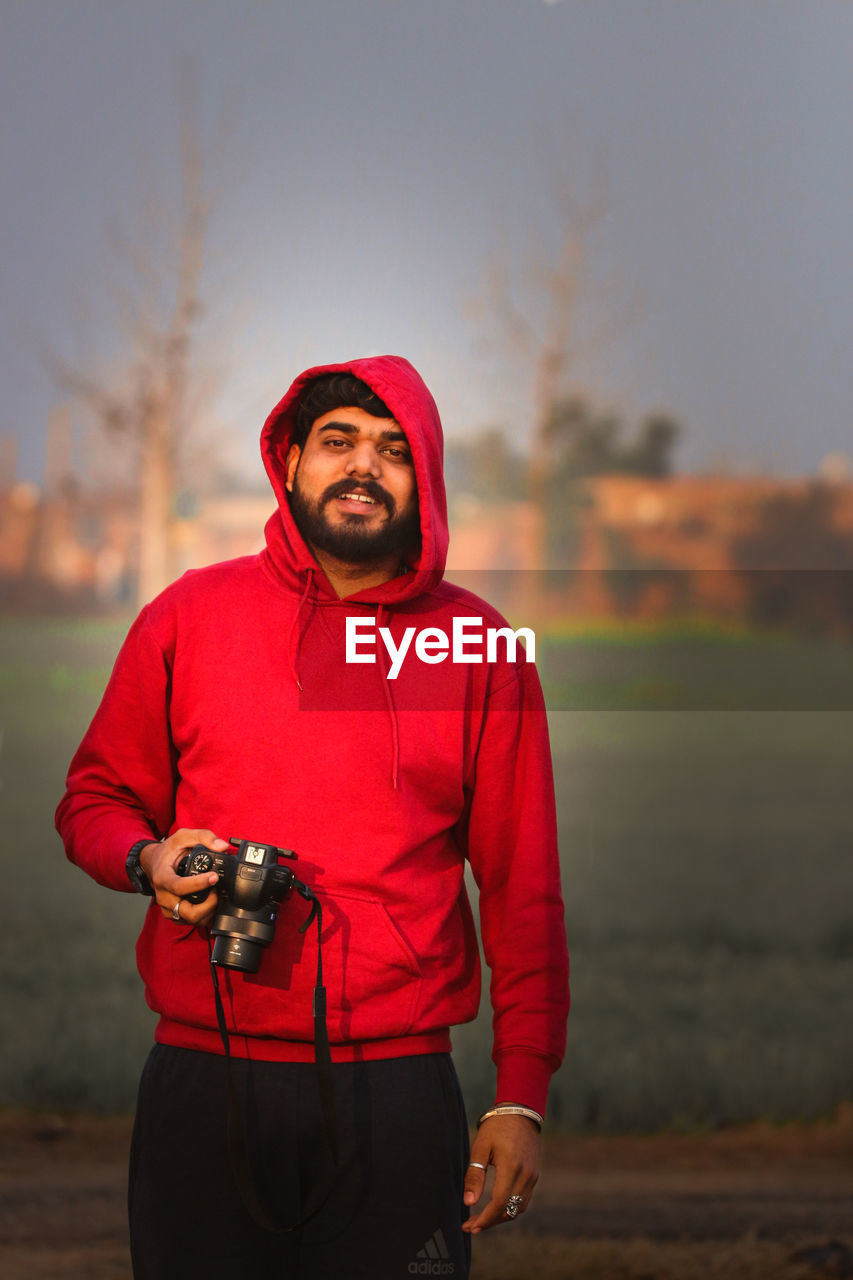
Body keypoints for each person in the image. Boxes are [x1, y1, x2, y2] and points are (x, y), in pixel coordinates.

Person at [56, 355, 570, 1280]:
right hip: (202, 1079)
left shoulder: (481, 646)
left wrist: (519, 1097)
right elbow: (93, 800)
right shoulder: (186, 617)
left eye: (393, 450)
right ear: (289, 462)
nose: (362, 466)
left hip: (399, 1088)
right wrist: (149, 860)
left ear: (427, 480)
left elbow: (522, 885)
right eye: (337, 443)